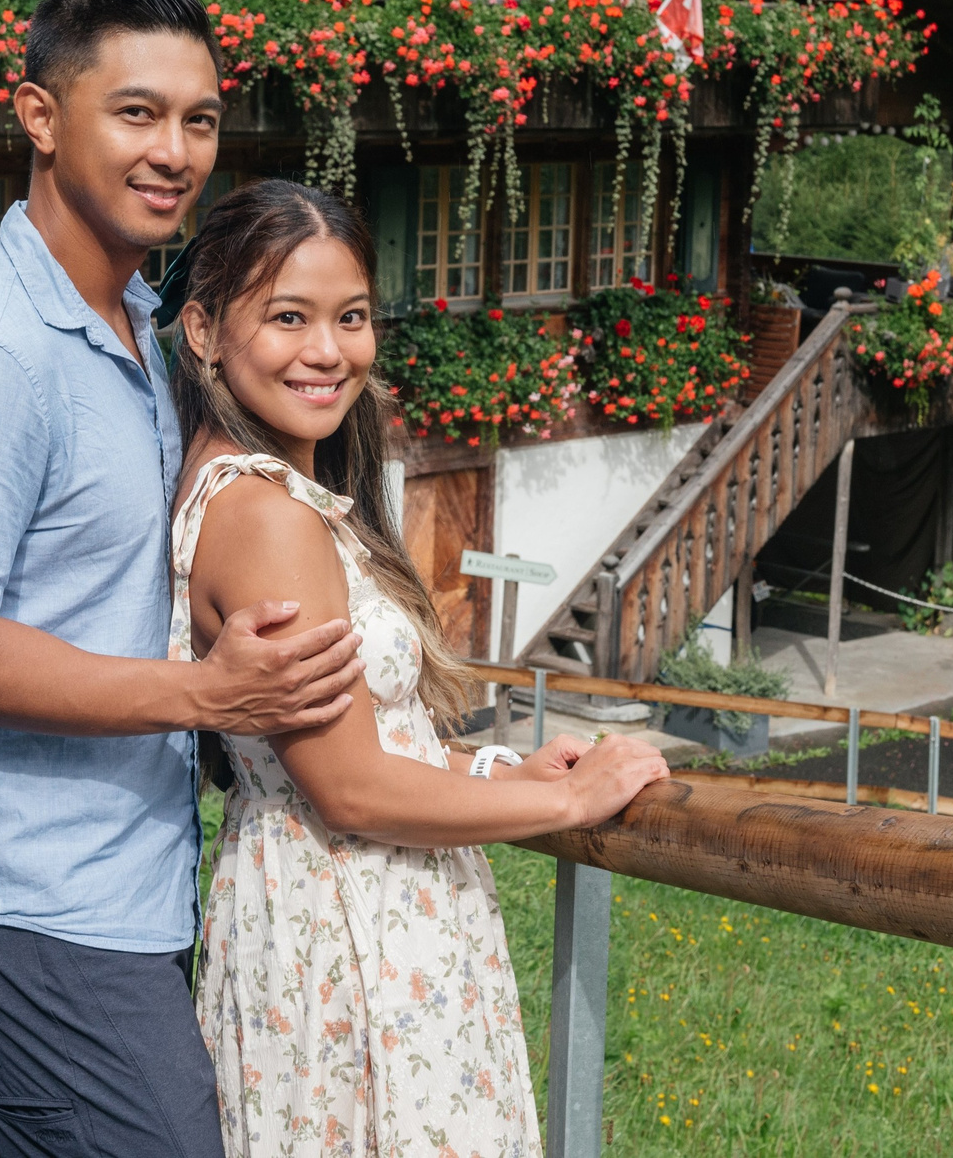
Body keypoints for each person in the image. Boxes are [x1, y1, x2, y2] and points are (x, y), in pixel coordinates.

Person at [0, 0, 367, 1158]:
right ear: (40, 116)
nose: (176, 151)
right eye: (136, 112)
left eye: (199, 119)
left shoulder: (144, 325)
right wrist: (202, 696)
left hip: (128, 885)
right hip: (27, 903)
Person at [168, 178, 670, 1157]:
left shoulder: (243, 481)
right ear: (202, 330)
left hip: (313, 905)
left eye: (350, 316)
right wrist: (568, 803)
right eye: (286, 316)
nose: (327, 349)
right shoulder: (266, 515)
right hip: (356, 920)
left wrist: (490, 768)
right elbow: (347, 784)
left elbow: (361, 737)